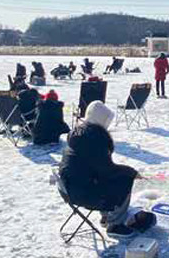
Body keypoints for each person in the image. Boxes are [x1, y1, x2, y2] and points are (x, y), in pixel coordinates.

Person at [59, 101, 155, 238]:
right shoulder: (93, 140)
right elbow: (108, 170)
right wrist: (132, 172)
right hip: (82, 193)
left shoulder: (79, 136)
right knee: (124, 180)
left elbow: (100, 168)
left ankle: (106, 217)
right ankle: (114, 225)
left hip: (70, 188)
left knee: (114, 178)